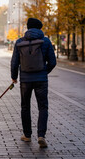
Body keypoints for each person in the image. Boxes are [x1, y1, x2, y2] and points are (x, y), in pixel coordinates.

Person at [11, 18, 56, 148]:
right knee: (43, 107)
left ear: (28, 28)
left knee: (25, 106)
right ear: (40, 28)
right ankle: (41, 135)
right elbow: (52, 62)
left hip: (25, 80)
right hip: (41, 80)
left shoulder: (20, 42)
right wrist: (43, 72)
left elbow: (14, 62)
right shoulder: (46, 41)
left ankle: (27, 135)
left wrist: (14, 77)